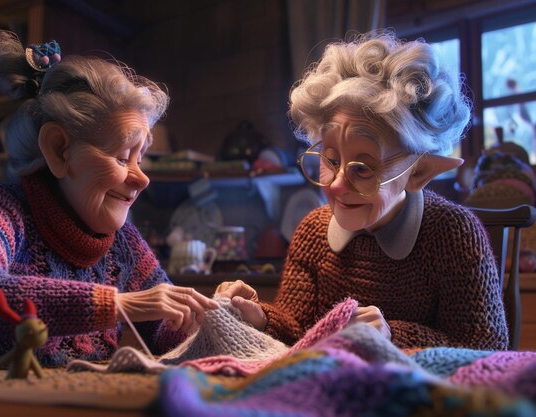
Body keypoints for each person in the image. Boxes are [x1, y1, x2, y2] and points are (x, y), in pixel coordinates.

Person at [0, 30, 218, 369]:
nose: (142, 178)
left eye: (139, 159)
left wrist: (208, 315)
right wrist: (117, 305)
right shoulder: (0, 211)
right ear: (59, 150)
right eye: (121, 157)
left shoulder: (124, 243)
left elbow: (166, 330)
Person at [216, 31, 509, 351]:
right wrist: (259, 317)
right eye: (330, 160)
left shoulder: (452, 234)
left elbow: (486, 344)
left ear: (419, 172)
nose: (337, 184)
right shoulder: (313, 231)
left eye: (363, 168)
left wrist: (391, 337)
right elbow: (296, 326)